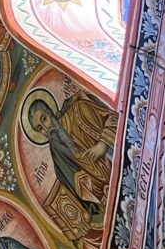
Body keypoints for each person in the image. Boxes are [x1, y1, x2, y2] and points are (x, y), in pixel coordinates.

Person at [27, 90, 117, 235]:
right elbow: (71, 190)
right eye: (40, 129)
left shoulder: (78, 110)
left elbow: (114, 117)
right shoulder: (57, 153)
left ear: (51, 112)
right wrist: (79, 222)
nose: (46, 129)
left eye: (44, 119)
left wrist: (102, 144)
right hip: (106, 201)